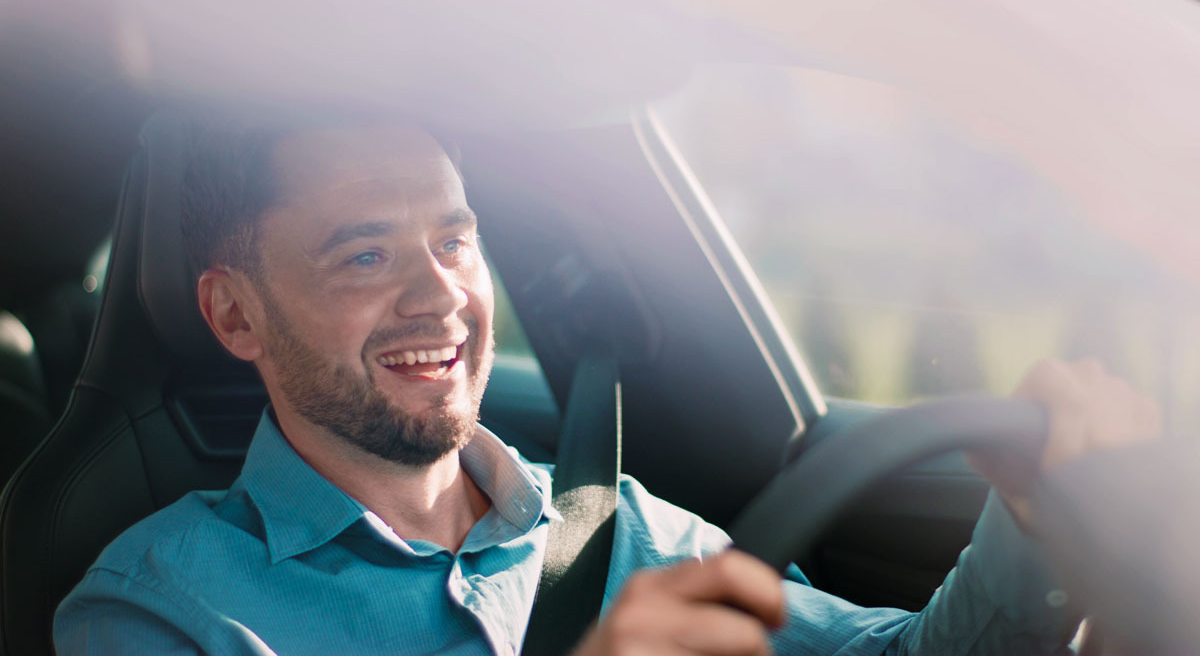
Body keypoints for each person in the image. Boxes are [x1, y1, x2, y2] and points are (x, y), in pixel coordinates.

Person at [54, 120, 1160, 654]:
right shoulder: (154, 607)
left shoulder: (621, 529)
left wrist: (1031, 520)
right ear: (235, 313)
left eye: (455, 240)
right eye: (364, 256)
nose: (439, 296)